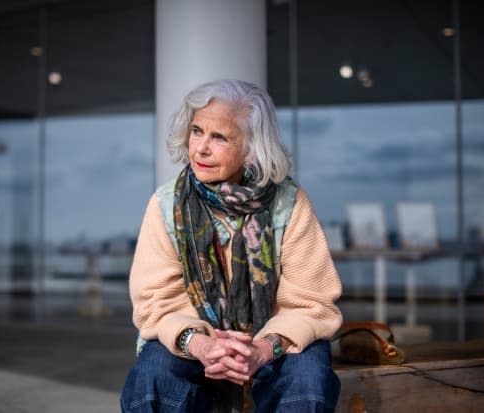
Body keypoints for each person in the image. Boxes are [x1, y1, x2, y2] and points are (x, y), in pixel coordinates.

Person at [121, 79, 343, 412]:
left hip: (272, 338)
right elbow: (156, 303)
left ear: (252, 148)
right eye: (197, 131)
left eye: (219, 137)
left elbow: (311, 302)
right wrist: (201, 344)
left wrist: (264, 348)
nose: (200, 149)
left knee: (309, 380)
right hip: (193, 339)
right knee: (153, 378)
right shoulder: (166, 205)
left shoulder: (290, 204)